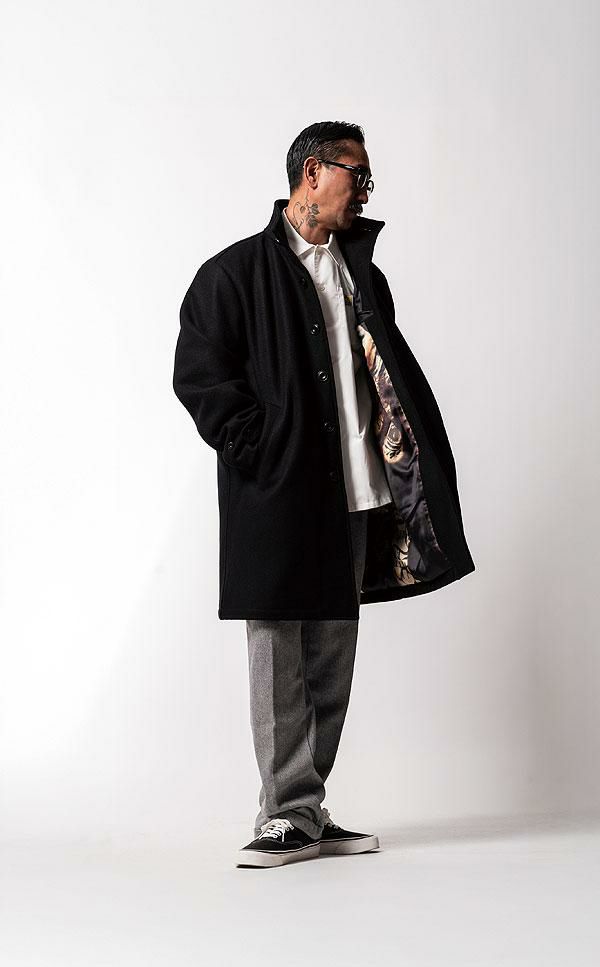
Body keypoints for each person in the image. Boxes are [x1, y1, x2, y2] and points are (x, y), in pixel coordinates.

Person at [173, 121, 475, 868]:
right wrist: (260, 449)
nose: (364, 191)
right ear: (312, 172)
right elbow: (200, 377)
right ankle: (283, 812)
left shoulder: (361, 273)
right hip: (278, 497)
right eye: (356, 174)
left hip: (357, 494)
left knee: (332, 658)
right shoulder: (233, 274)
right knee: (279, 652)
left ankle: (306, 809)